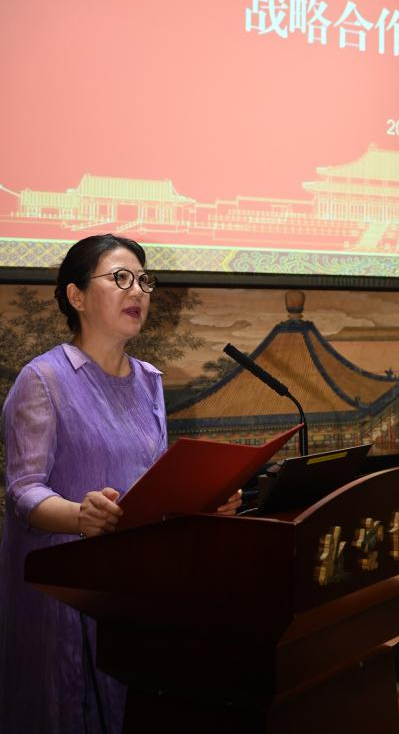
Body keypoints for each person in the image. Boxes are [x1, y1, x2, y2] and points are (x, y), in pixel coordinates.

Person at [0, 234, 240, 733]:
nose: (138, 292)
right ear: (77, 296)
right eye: (121, 278)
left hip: (132, 586)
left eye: (144, 280)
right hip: (63, 587)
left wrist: (203, 502)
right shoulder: (43, 379)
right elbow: (23, 490)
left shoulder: (149, 379)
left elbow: (153, 482)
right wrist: (79, 515)